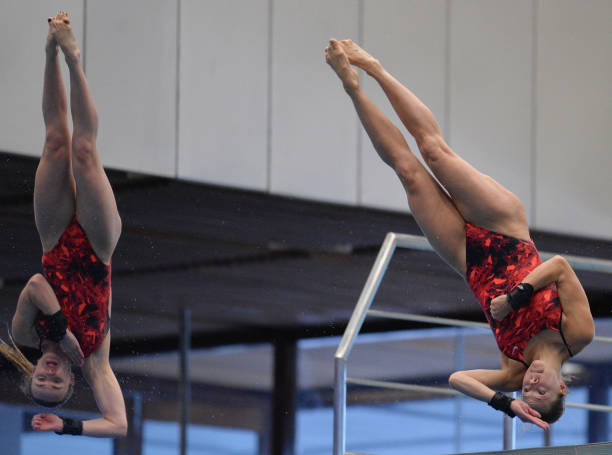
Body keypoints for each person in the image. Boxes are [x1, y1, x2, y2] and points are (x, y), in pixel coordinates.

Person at [325, 38, 594, 429]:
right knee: (433, 151)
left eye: (529, 394)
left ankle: (352, 87)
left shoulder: (513, 373)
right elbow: (561, 267)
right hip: (506, 230)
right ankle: (374, 68)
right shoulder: (577, 334)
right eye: (543, 390)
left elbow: (458, 380)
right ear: (563, 388)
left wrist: (506, 404)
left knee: (408, 172)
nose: (533, 384)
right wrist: (517, 297)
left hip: (468, 259)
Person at [0, 12, 127, 437]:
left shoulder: (23, 333)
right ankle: (74, 58)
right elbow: (118, 425)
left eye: (41, 379)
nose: (50, 375)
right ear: (72, 380)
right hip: (97, 245)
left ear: (34, 370)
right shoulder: (94, 360)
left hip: (54, 238)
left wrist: (57, 330)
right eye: (57, 382)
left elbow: (37, 284)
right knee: (84, 151)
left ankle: (50, 52)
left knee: (56, 142)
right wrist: (65, 427)